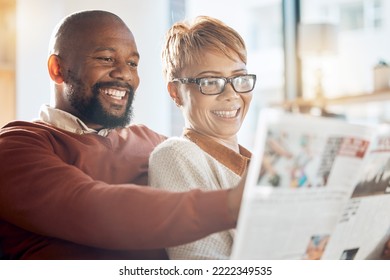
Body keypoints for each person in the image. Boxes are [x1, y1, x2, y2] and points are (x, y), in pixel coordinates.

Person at [0, 10, 245, 260]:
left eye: (132, 64)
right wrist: (229, 204)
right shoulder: (16, 146)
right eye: (106, 59)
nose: (125, 74)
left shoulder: (153, 142)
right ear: (57, 69)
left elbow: (216, 171)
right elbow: (91, 208)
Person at [149, 16, 255, 259]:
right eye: (210, 81)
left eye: (239, 78)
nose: (232, 94)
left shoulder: (255, 162)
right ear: (175, 92)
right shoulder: (175, 155)